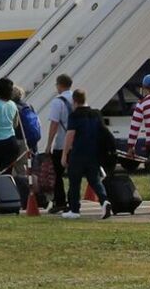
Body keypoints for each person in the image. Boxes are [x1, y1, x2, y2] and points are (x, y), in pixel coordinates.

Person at [58, 89, 113, 219]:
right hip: (94, 153)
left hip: (78, 153)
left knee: (75, 182)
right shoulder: (96, 114)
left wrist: (64, 154)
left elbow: (70, 136)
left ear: (74, 101)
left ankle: (74, 210)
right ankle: (104, 201)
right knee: (95, 180)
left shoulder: (74, 115)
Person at [40, 74, 75, 214]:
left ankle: (60, 201)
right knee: (75, 174)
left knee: (56, 174)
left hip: (62, 143)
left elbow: (54, 124)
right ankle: (74, 201)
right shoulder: (77, 98)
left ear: (60, 85)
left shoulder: (58, 102)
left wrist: (49, 144)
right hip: (77, 143)